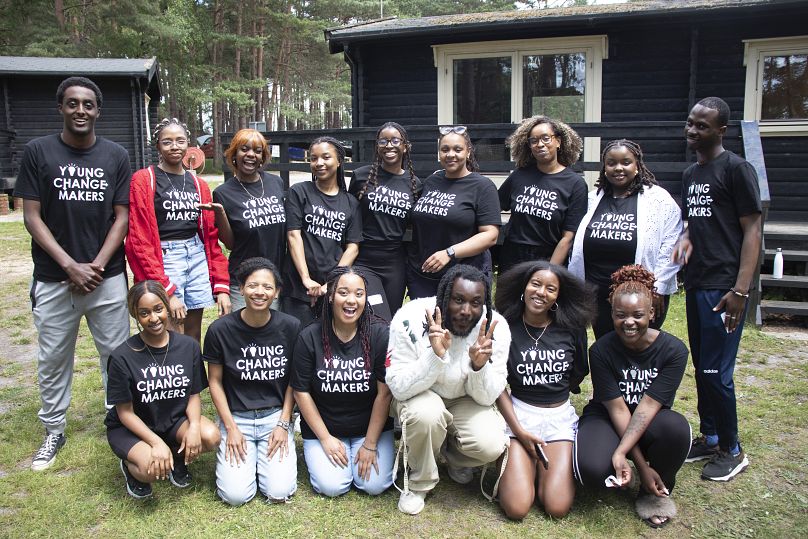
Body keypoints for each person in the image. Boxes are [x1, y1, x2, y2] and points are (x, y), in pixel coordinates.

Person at [13, 76, 132, 471]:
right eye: (72, 103)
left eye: (88, 104)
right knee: (53, 357)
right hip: (54, 277)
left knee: (116, 356)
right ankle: (53, 429)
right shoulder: (38, 152)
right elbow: (31, 216)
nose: (80, 110)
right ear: (61, 108)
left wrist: (96, 265)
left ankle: (119, 419)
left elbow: (122, 216)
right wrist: (69, 265)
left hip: (107, 277)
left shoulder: (116, 155)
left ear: (98, 110)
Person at [674, 96, 761, 481]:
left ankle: (732, 448)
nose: (693, 130)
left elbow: (752, 230)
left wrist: (741, 291)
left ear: (721, 130)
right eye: (691, 123)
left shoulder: (737, 169)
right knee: (703, 366)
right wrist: (686, 237)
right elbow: (698, 219)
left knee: (716, 371)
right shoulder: (692, 173)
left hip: (725, 288)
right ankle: (709, 436)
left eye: (702, 126)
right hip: (697, 282)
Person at [387, 264, 510, 515]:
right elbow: (398, 387)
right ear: (444, 296)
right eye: (458, 300)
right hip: (421, 394)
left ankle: (452, 456)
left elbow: (488, 397)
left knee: (491, 443)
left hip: (465, 398)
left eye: (476, 303)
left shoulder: (495, 327)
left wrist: (478, 366)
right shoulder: (410, 316)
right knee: (427, 416)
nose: (466, 311)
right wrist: (434, 355)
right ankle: (421, 481)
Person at [574, 265, 690, 529]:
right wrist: (634, 461)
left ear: (651, 313)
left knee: (676, 429)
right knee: (590, 470)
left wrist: (626, 453)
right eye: (620, 315)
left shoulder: (674, 351)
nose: (629, 322)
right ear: (612, 315)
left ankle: (654, 490)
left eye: (638, 315)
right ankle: (631, 470)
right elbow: (617, 409)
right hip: (608, 416)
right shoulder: (601, 350)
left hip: (650, 421)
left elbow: (648, 406)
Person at [493, 261, 594, 520]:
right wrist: (518, 430)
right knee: (517, 508)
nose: (541, 292)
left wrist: (553, 393)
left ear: (558, 296)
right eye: (535, 284)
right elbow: (496, 383)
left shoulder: (571, 328)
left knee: (556, 507)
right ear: (523, 287)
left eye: (551, 288)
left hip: (558, 419)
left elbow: (579, 371)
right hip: (519, 415)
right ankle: (523, 461)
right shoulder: (505, 327)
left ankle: (539, 464)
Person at [106, 280, 220, 499]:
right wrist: (155, 442)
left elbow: (193, 395)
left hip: (172, 420)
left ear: (167, 307)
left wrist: (194, 426)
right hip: (133, 427)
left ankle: (176, 457)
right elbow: (125, 413)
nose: (154, 318)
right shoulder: (122, 356)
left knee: (210, 436)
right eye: (144, 313)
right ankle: (131, 468)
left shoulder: (189, 346)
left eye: (158, 309)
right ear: (135, 315)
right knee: (151, 468)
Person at [290, 267, 394, 497]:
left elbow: (384, 394)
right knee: (332, 486)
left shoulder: (380, 334)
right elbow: (301, 391)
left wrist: (370, 443)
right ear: (330, 296)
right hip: (326, 428)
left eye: (359, 294)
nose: (351, 300)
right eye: (344, 293)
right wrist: (325, 439)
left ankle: (361, 449)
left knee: (373, 485)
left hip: (368, 429)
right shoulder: (309, 336)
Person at [204, 258, 299, 505]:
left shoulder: (291, 327)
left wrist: (284, 422)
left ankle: (263, 464)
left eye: (267, 287)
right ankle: (247, 462)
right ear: (242, 288)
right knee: (235, 496)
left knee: (279, 492)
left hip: (275, 417)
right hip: (237, 418)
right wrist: (231, 428)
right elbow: (214, 381)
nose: (260, 292)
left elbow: (294, 379)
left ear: (277, 292)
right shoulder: (219, 330)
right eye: (253, 285)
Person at [126, 118, 231, 342]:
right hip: (164, 255)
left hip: (195, 254)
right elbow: (139, 237)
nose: (175, 146)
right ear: (158, 146)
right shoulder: (144, 180)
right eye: (167, 142)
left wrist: (221, 284)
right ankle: (175, 374)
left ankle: (193, 374)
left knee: (193, 330)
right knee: (171, 327)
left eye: (180, 141)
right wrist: (167, 290)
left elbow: (210, 236)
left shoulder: (199, 184)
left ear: (188, 145)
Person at [569, 139, 682, 338]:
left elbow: (672, 246)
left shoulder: (658, 200)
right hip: (598, 295)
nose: (618, 168)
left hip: (641, 296)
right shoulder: (592, 199)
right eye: (611, 163)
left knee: (638, 351)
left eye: (626, 162)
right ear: (604, 168)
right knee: (606, 347)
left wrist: (658, 289)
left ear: (637, 165)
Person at [406, 126, 500, 299]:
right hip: (422, 276)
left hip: (463, 278)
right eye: (445, 149)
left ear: (468, 152)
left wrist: (449, 252)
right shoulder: (432, 181)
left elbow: (490, 235)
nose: (450, 154)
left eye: (457, 149)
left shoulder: (482, 186)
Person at [284, 137, 362, 325]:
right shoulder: (299, 192)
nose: (319, 163)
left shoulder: (350, 202)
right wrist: (306, 279)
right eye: (313, 158)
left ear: (339, 161)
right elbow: (293, 235)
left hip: (333, 290)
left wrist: (332, 283)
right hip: (297, 288)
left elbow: (353, 247)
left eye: (326, 157)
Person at [207, 129, 287, 311]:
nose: (251, 154)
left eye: (257, 151)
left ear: (263, 157)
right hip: (243, 280)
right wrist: (220, 215)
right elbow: (230, 244)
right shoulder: (223, 193)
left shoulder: (276, 183)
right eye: (244, 149)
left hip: (275, 278)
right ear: (234, 154)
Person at [349, 122, 421, 320]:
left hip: (394, 262)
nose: (389, 145)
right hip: (364, 259)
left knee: (391, 319)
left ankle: (383, 352)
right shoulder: (361, 176)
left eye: (395, 140)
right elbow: (348, 214)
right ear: (377, 146)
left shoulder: (414, 184)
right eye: (384, 141)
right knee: (374, 316)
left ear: (405, 146)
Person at [498, 116, 588, 272]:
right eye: (534, 141)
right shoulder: (519, 176)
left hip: (548, 257)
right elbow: (494, 205)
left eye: (546, 138)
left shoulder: (575, 184)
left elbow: (568, 238)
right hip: (512, 256)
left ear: (558, 141)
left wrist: (549, 271)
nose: (540, 144)